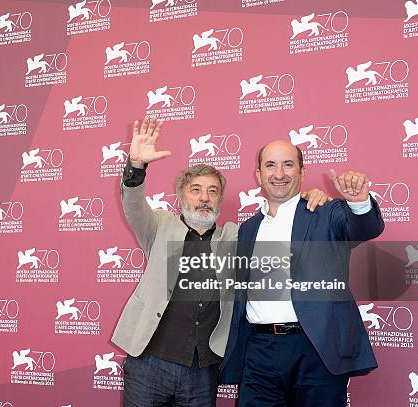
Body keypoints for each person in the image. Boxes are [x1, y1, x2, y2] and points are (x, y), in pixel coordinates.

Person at [112, 119, 329, 406]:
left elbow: (280, 225)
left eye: (213, 191)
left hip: (203, 369)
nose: (204, 198)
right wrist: (136, 166)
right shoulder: (159, 226)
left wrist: (307, 199)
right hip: (149, 362)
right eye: (196, 189)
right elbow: (133, 204)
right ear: (181, 196)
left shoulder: (237, 236)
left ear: (220, 199)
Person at [220, 140, 385, 406]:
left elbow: (365, 229)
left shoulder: (327, 212)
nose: (279, 173)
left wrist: (358, 203)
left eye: (288, 164)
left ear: (302, 172)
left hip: (316, 348)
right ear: (258, 174)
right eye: (270, 165)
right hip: (259, 351)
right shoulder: (248, 229)